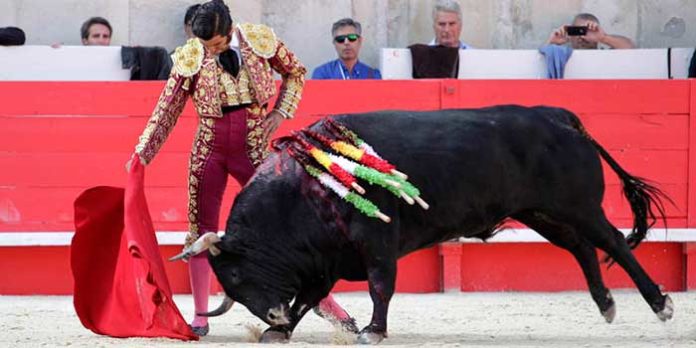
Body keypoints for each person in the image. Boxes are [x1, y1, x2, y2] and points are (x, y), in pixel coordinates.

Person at [126, 0, 356, 337]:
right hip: (209, 148)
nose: (212, 51)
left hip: (254, 145)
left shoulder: (259, 40)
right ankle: (201, 316)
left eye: (217, 44)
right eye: (206, 46)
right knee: (200, 229)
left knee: (285, 226)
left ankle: (327, 305)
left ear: (229, 30)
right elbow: (166, 109)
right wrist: (141, 153)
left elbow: (295, 72)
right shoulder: (191, 55)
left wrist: (280, 112)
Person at [312, 18, 381, 79]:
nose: (346, 42)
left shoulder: (373, 75)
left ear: (360, 41)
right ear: (334, 43)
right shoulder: (322, 74)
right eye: (340, 39)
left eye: (352, 37)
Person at [547, 13, 635, 49]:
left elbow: (631, 49)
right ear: (571, 33)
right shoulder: (562, 57)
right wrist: (552, 44)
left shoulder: (606, 56)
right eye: (578, 31)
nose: (582, 37)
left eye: (588, 31)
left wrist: (604, 38)